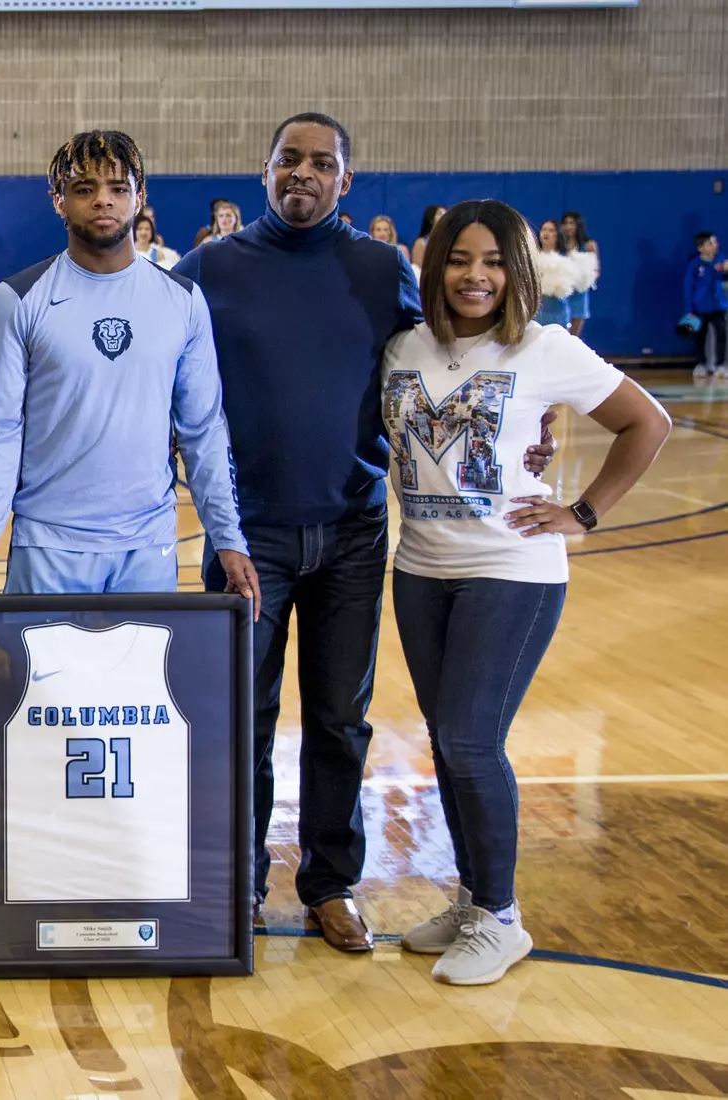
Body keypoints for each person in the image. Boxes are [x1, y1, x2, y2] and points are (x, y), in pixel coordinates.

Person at [174, 113, 555, 954]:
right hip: (246, 537)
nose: (301, 173)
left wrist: (535, 418)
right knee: (239, 713)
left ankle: (328, 882)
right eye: (287, 159)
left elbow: (473, 347)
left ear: (345, 181)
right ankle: (235, 883)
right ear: (262, 170)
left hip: (352, 529)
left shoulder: (384, 270)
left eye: (321, 163)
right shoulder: (207, 268)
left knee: (340, 719)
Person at [386, 199, 668, 985]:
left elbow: (647, 424)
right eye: (458, 259)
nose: (475, 276)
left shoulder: (543, 349)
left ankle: (503, 919)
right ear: (434, 264)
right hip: (420, 569)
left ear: (516, 270)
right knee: (446, 743)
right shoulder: (403, 344)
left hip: (511, 570)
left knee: (472, 741)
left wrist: (581, 513)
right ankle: (474, 899)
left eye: (492, 261)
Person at [0, 131, 257, 607]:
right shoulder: (19, 299)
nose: (103, 201)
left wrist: (228, 537)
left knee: (136, 685)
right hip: (49, 545)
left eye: (118, 188)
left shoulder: (183, 301)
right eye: (84, 189)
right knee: (47, 685)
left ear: (140, 198)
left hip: (147, 545)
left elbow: (203, 430)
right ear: (59, 201)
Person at [685, 231, 728, 379]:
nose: (715, 245)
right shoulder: (695, 264)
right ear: (701, 248)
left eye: (715, 242)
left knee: (721, 335)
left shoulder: (722, 261)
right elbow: (689, 287)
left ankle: (720, 365)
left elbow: (724, 280)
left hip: (719, 307)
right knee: (700, 337)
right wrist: (689, 309)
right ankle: (701, 364)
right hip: (700, 307)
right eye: (710, 243)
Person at [560, 211, 599, 337]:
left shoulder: (589, 246)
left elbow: (595, 271)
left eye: (572, 223)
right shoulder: (559, 246)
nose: (568, 226)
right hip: (561, 294)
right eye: (565, 223)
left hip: (579, 294)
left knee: (574, 336)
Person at [533, 219, 575, 330]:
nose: (546, 233)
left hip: (558, 312)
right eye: (544, 229)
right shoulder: (532, 259)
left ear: (558, 235)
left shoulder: (566, 260)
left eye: (551, 230)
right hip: (536, 313)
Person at [412, 205, 446, 269]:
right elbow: (417, 270)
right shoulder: (421, 243)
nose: (444, 216)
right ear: (431, 219)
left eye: (446, 214)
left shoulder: (448, 242)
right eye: (440, 213)